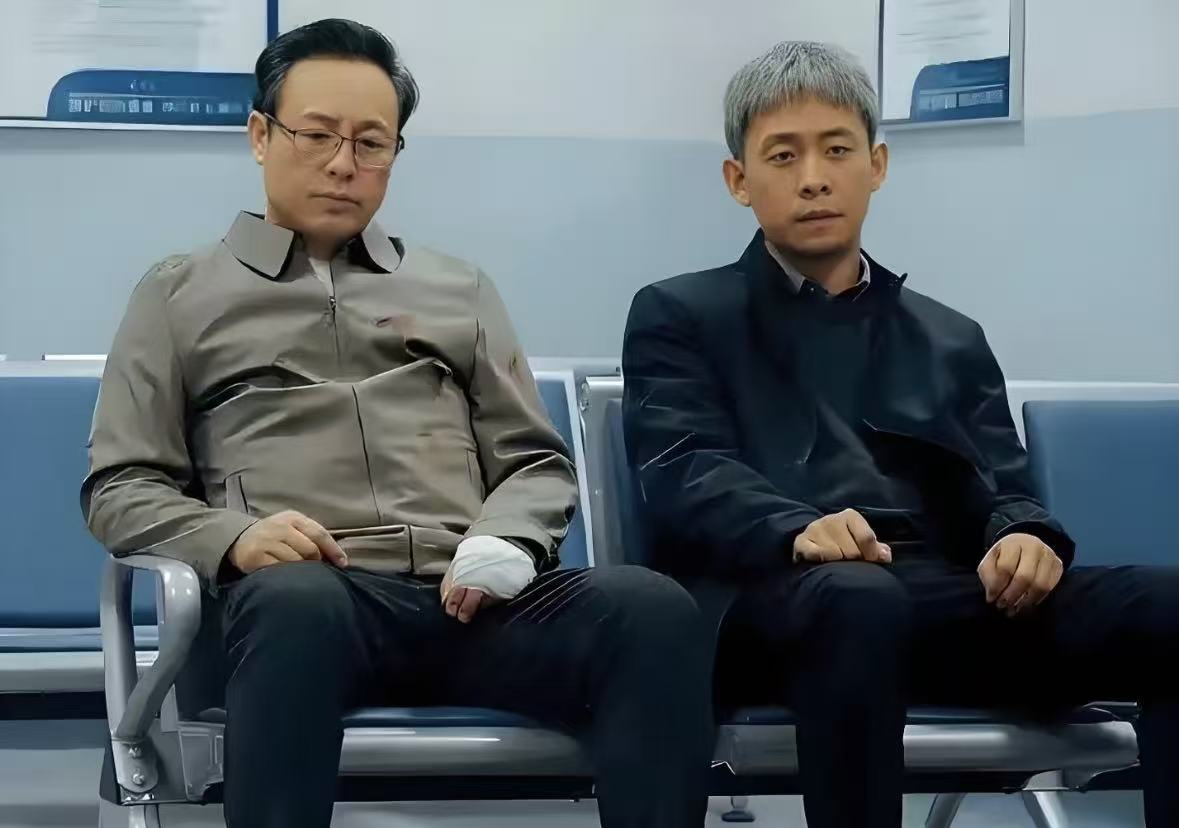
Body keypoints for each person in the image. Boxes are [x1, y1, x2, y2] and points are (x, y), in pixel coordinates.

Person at [84, 19, 712, 828]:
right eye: (316, 135)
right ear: (260, 135)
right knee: (296, 604)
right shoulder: (178, 295)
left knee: (650, 609)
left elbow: (534, 462)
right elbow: (120, 486)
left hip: (469, 602)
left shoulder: (456, 288)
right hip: (311, 605)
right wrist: (232, 539)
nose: (343, 163)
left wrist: (508, 539)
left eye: (371, 143)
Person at [622, 41, 1179, 828]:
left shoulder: (946, 335)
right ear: (738, 180)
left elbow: (1003, 485)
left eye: (836, 149)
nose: (812, 177)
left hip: (940, 600)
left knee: (1165, 605)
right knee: (858, 599)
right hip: (770, 602)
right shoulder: (680, 315)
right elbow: (683, 468)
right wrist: (795, 526)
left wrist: (1020, 534)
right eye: (782, 155)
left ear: (875, 165)